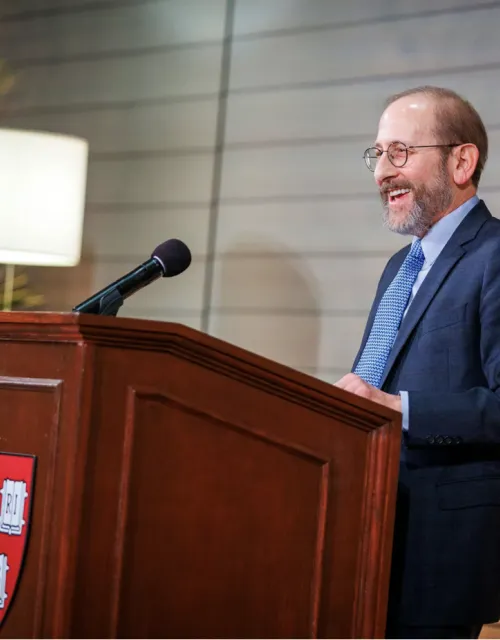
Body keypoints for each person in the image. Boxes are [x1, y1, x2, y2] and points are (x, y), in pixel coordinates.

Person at [335, 85, 500, 639]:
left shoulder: (495, 255)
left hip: (447, 554)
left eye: (400, 152)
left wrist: (395, 408)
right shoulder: (398, 268)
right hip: (371, 536)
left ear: (461, 160)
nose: (383, 171)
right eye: (378, 154)